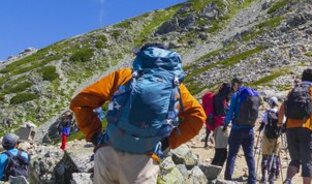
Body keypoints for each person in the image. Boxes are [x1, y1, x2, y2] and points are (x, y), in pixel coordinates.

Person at [70, 43, 205, 184]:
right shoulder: (175, 87)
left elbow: (80, 102)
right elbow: (197, 116)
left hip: (108, 152)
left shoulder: (124, 76)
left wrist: (94, 135)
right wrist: (168, 142)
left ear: (141, 57)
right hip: (144, 160)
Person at [279, 68, 312, 184]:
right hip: (306, 128)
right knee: (307, 162)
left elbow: (282, 108)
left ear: (302, 78)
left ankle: (288, 180)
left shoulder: (293, 90)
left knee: (294, 160)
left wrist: (280, 124)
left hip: (290, 129)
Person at [222, 79, 260, 184]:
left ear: (235, 84)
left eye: (232, 86)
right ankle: (252, 180)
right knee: (249, 155)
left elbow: (230, 113)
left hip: (237, 129)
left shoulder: (236, 96)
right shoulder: (253, 95)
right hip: (249, 130)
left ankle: (227, 179)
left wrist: (225, 124)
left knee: (232, 154)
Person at [257, 97, 282, 184]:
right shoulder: (280, 113)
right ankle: (271, 179)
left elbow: (263, 124)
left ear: (270, 103)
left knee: (265, 157)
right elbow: (283, 124)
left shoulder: (267, 113)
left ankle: (264, 178)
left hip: (266, 137)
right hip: (276, 138)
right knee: (274, 157)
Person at [209, 82, 233, 169]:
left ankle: (214, 170)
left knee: (221, 151)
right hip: (222, 127)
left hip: (219, 127)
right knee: (221, 152)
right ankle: (212, 172)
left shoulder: (219, 98)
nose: (231, 94)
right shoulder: (220, 98)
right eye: (230, 91)